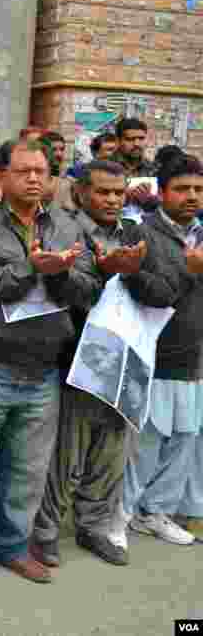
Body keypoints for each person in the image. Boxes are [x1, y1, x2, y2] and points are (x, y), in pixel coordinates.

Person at [0, 138, 103, 590]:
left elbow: (89, 290)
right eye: (24, 171)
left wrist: (61, 273)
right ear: (0, 177)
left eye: (42, 171)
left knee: (28, 471)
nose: (35, 178)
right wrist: (31, 269)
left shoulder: (69, 225)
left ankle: (13, 547)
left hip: (43, 370)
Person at [120, 153, 203, 546]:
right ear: (162, 192)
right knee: (148, 439)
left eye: (199, 189)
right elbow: (148, 292)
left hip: (194, 356)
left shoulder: (200, 232)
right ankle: (126, 511)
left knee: (185, 436)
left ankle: (158, 511)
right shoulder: (141, 233)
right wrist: (191, 270)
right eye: (182, 189)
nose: (192, 196)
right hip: (154, 355)